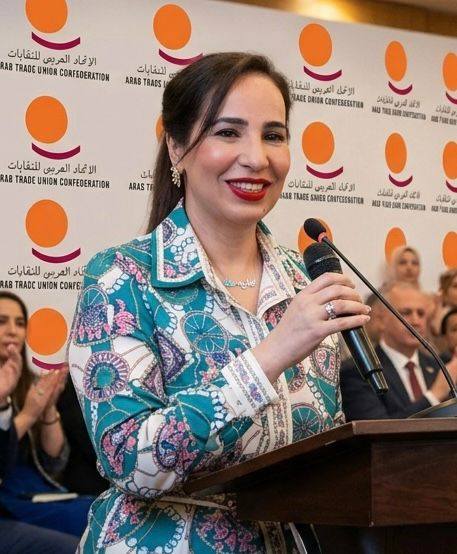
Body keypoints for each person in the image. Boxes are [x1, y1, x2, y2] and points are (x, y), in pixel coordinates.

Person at [68, 52, 370, 553]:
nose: (256, 157)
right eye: (228, 132)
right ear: (176, 146)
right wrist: (269, 356)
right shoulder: (121, 277)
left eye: (273, 135)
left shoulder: (304, 279)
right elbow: (131, 462)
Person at [0, 291, 93, 542]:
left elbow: (54, 462)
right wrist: (29, 414)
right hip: (8, 499)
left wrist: (49, 407)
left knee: (99, 510)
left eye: (20, 323)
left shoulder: (30, 383)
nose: (12, 331)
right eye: (2, 321)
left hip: (37, 490)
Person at [341, 282, 457, 421]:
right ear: (381, 320)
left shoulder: (439, 366)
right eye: (406, 313)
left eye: (421, 314)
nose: (416, 321)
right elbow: (375, 428)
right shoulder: (357, 370)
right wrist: (433, 396)